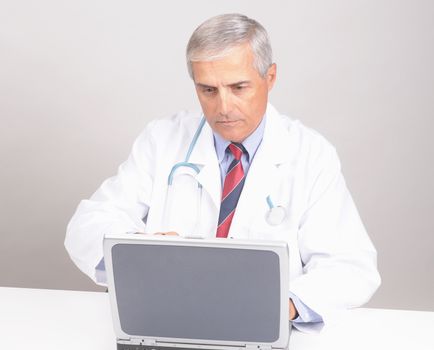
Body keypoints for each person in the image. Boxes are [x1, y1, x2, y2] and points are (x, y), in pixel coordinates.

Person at [65, 13, 380, 332]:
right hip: (167, 323)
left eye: (238, 87)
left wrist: (280, 305)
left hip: (261, 330)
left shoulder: (311, 154)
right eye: (208, 90)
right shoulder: (162, 139)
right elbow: (88, 224)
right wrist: (136, 253)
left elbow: (350, 265)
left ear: (270, 78)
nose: (224, 107)